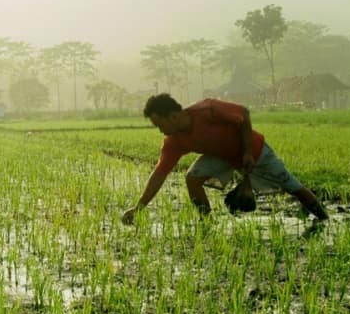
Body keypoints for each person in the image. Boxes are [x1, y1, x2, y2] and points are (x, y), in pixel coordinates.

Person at [121, 93, 329, 225]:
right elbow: (159, 173)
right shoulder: (174, 141)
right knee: (192, 178)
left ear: (173, 116)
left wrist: (247, 152)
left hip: (254, 150)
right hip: (223, 157)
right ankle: (207, 223)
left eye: (159, 124)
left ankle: (323, 219)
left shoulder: (208, 109)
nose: (160, 131)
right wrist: (139, 207)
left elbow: (244, 115)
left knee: (291, 185)